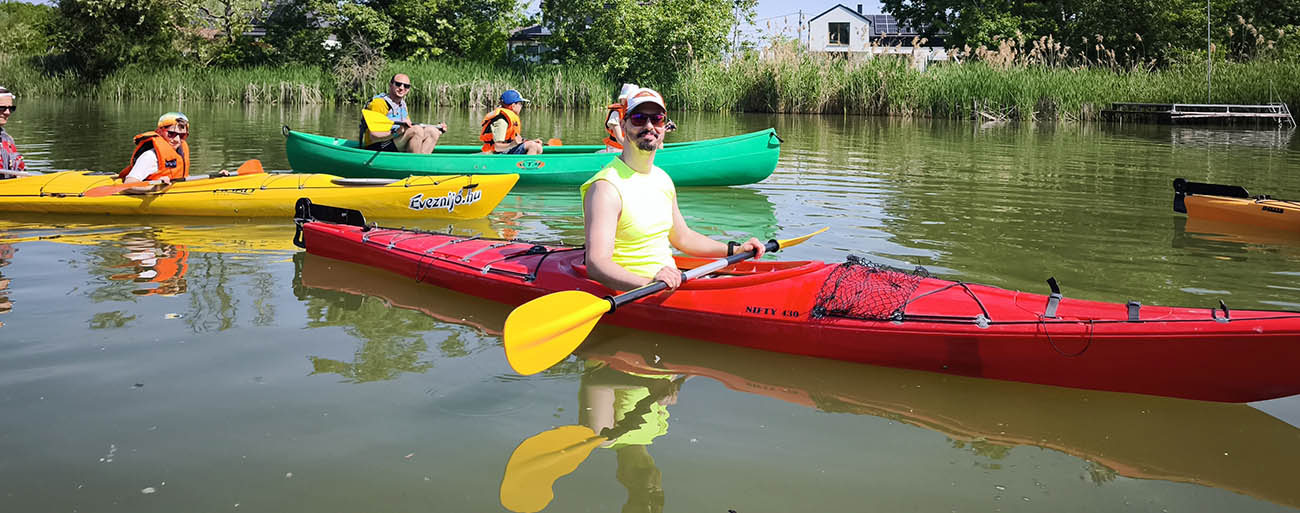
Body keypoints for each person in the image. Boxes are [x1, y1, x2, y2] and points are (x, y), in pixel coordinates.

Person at [581, 87, 764, 291]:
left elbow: (683, 237)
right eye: (639, 118)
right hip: (637, 290)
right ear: (624, 124)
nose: (649, 126)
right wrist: (648, 284)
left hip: (670, 283)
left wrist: (735, 250)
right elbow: (597, 264)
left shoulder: (662, 179)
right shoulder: (605, 188)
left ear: (664, 127)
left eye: (657, 118)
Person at [361, 73, 446, 154]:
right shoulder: (379, 103)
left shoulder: (403, 105)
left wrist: (438, 129)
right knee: (416, 130)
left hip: (394, 141)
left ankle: (420, 163)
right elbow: (373, 137)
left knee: (433, 132)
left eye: (406, 86)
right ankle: (415, 164)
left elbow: (409, 129)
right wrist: (397, 132)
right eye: (398, 84)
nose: (402, 88)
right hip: (375, 146)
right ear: (390, 85)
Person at [119, 112, 193, 193]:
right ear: (159, 131)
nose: (177, 140)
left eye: (182, 136)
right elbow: (128, 184)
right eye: (171, 134)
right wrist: (154, 189)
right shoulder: (150, 156)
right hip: (148, 193)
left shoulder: (180, 152)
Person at [480, 89, 542, 155]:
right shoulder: (501, 121)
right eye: (520, 103)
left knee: (538, 146)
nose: (521, 106)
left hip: (506, 150)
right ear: (513, 106)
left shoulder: (511, 119)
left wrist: (530, 141)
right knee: (532, 146)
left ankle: (528, 163)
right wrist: (513, 144)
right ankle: (526, 164)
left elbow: (514, 140)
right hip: (495, 153)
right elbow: (497, 147)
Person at [0, 86, 26, 179]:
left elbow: (21, 173)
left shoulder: (8, 140)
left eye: (11, 108)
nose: (7, 113)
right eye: (2, 108)